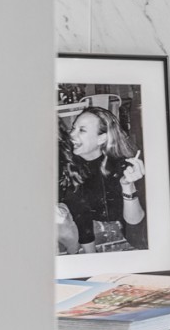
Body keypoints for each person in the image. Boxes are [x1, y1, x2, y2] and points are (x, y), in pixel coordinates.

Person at [58, 105, 146, 253]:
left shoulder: (122, 167)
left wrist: (127, 186)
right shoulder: (70, 164)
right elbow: (80, 212)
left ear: (102, 138)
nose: (71, 134)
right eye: (73, 128)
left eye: (82, 130)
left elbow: (136, 230)